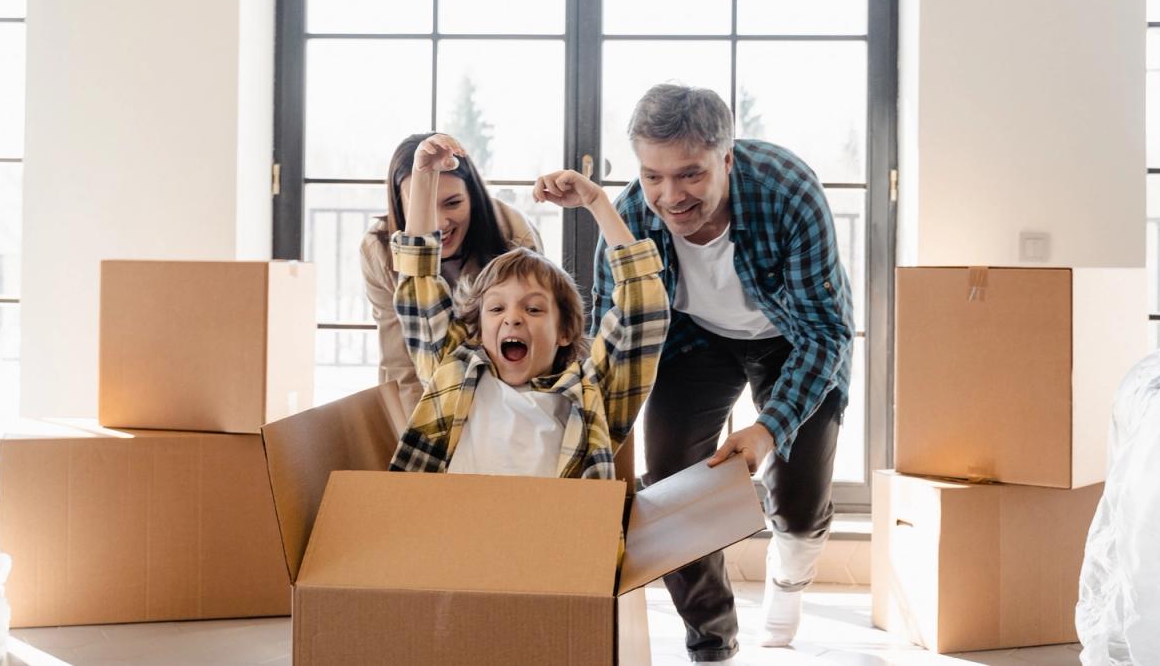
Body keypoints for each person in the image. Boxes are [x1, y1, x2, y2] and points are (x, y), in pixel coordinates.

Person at [591, 84, 854, 660]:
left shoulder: (787, 192)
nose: (669, 195)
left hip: (792, 335)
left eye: (690, 175)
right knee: (670, 486)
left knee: (800, 502)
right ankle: (712, 640)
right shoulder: (633, 211)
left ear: (726, 158)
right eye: (652, 175)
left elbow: (825, 333)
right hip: (694, 337)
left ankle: (788, 577)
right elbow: (605, 328)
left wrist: (767, 429)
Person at [388, 133, 669, 479]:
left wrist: (597, 201)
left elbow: (642, 315)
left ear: (565, 332)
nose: (513, 319)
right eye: (495, 310)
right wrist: (424, 175)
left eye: (533, 309)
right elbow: (418, 286)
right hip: (457, 529)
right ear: (477, 329)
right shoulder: (454, 373)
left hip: (550, 531)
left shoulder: (589, 395)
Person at [360, 133, 542, 413]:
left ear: (474, 197)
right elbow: (400, 365)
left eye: (453, 203)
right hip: (429, 391)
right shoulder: (378, 250)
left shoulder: (513, 231)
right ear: (399, 203)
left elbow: (536, 341)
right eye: (421, 204)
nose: (439, 222)